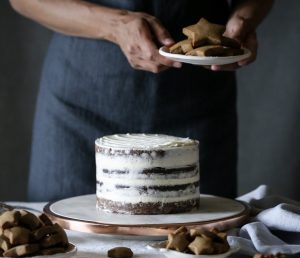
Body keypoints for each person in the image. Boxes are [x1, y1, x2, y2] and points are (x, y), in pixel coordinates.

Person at [10, 0, 273, 202]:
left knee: (201, 252)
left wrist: (244, 19)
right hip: (80, 105)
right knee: (65, 248)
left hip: (198, 102)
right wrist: (115, 24)